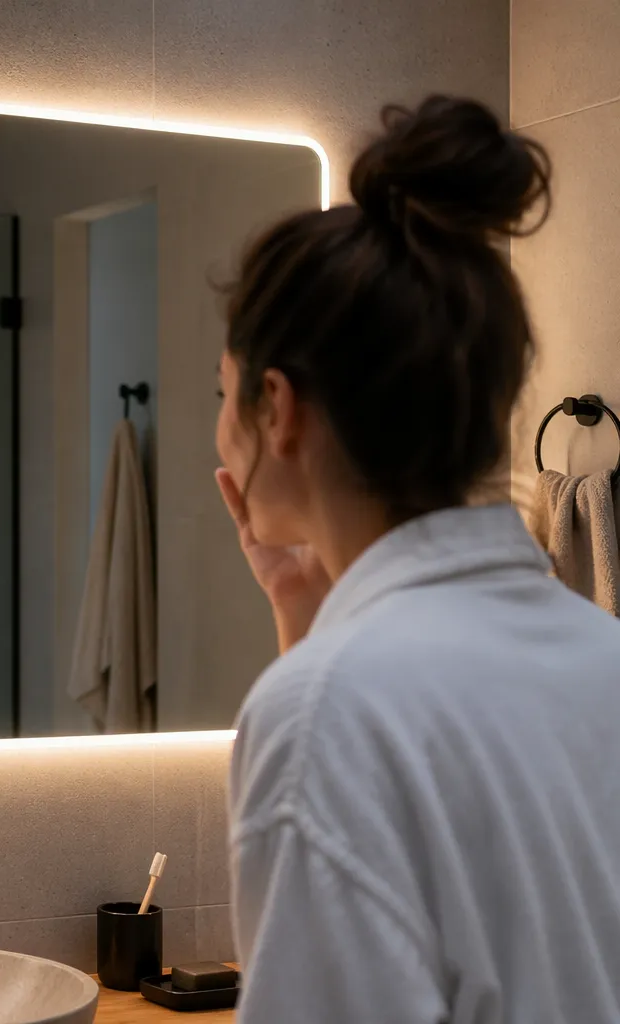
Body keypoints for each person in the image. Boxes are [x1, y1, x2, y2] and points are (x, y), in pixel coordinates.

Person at [215, 95, 620, 1021]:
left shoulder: (326, 716)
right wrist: (310, 627)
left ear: (277, 410)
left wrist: (319, 668)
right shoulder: (605, 655)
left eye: (223, 392)